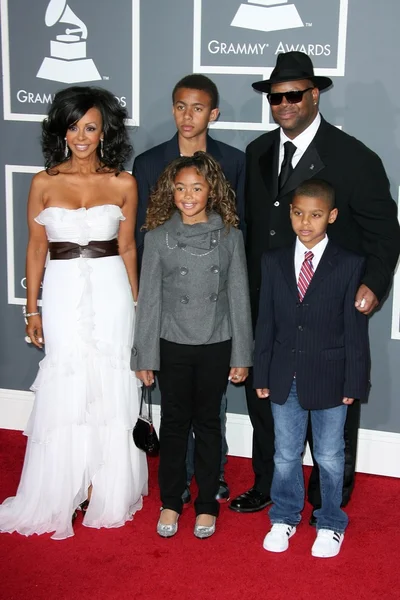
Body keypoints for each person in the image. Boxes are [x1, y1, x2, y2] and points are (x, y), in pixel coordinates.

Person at [230, 51, 400, 516]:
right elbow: (253, 229)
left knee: (335, 399)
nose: (283, 103)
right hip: (271, 302)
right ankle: (267, 483)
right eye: (275, 96)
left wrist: (374, 283)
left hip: (331, 303)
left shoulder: (354, 157)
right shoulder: (258, 151)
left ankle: (330, 496)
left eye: (293, 95)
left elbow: (385, 231)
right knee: (266, 393)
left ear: (314, 94)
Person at [0, 86, 148, 540]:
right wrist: (32, 310)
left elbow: (126, 248)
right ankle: (65, 483)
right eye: (73, 126)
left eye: (90, 126)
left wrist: (140, 308)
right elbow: (36, 248)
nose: (81, 136)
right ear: (60, 129)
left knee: (109, 379)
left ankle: (102, 483)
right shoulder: (43, 182)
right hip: (62, 290)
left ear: (104, 131)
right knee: (67, 379)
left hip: (111, 291)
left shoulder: (123, 182)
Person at [133, 74, 246, 504]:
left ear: (212, 113)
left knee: (210, 409)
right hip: (170, 308)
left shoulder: (233, 161)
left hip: (213, 310)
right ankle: (174, 486)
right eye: (181, 106)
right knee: (176, 408)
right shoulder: (147, 163)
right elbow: (146, 238)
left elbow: (238, 231)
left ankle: (211, 477)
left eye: (197, 108)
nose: (188, 115)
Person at [254, 179, 369, 558]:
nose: (306, 222)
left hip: (331, 378)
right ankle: (285, 515)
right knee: (285, 454)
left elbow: (355, 330)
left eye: (316, 215)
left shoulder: (350, 264)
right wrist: (262, 372)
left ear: (331, 216)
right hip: (283, 376)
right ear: (290, 213)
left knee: (330, 456)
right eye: (298, 213)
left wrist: (354, 379)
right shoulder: (272, 261)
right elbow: (266, 323)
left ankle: (331, 521)